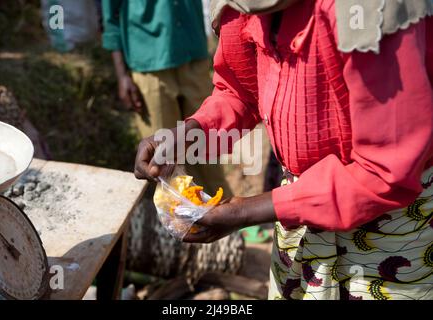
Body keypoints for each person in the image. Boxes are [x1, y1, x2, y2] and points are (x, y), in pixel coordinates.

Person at [134, 0, 433, 300]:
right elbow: (240, 90)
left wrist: (245, 211)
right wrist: (189, 133)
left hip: (393, 227)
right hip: (300, 213)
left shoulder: (368, 10)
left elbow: (385, 171)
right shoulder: (242, 6)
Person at [101, 0, 231, 196]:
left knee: (205, 151)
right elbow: (110, 16)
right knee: (163, 162)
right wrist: (122, 75)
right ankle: (181, 223)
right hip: (149, 64)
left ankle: (224, 218)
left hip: (193, 53)